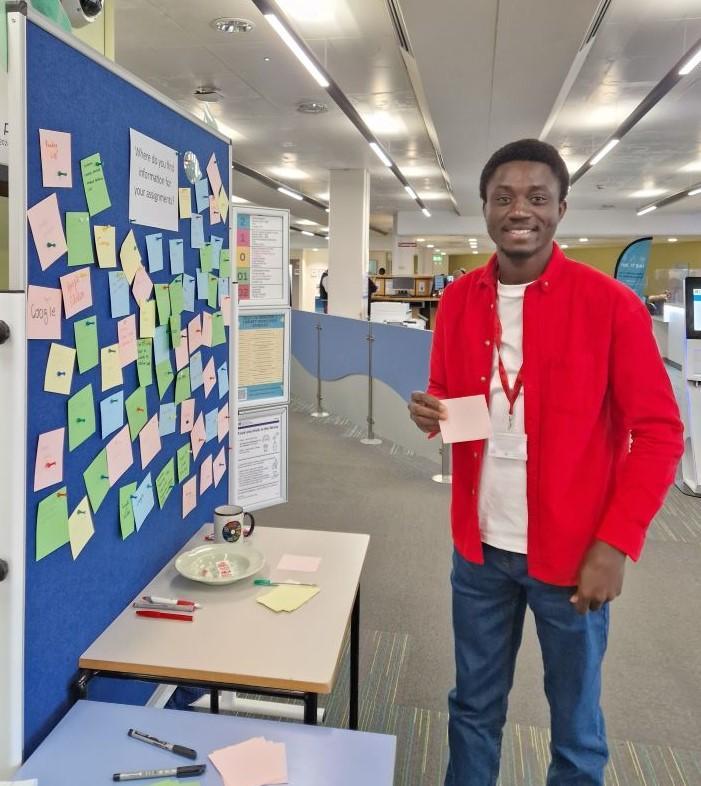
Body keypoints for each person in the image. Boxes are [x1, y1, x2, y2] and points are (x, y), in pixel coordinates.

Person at [408, 139, 683, 786]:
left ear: (560, 208)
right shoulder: (457, 302)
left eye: (535, 196)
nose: (518, 210)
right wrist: (437, 412)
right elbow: (461, 398)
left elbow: (659, 433)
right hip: (477, 553)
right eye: (502, 197)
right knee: (472, 708)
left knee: (575, 728)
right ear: (483, 208)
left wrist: (615, 543)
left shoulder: (608, 305)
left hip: (573, 556)